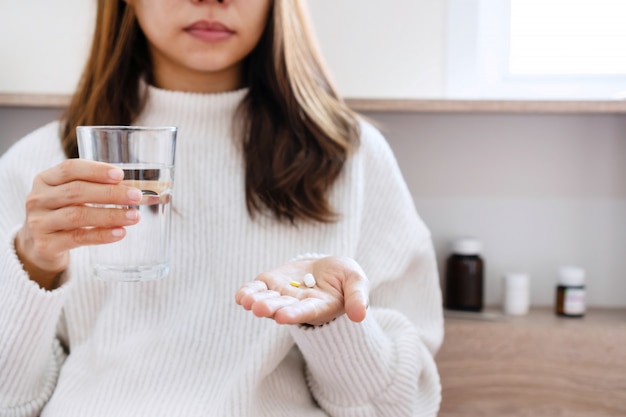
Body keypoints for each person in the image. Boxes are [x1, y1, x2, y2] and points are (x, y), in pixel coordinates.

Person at [0, 0, 444, 416]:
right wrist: (32, 265)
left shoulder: (352, 158)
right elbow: (11, 401)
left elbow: (403, 408)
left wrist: (336, 326)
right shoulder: (40, 165)